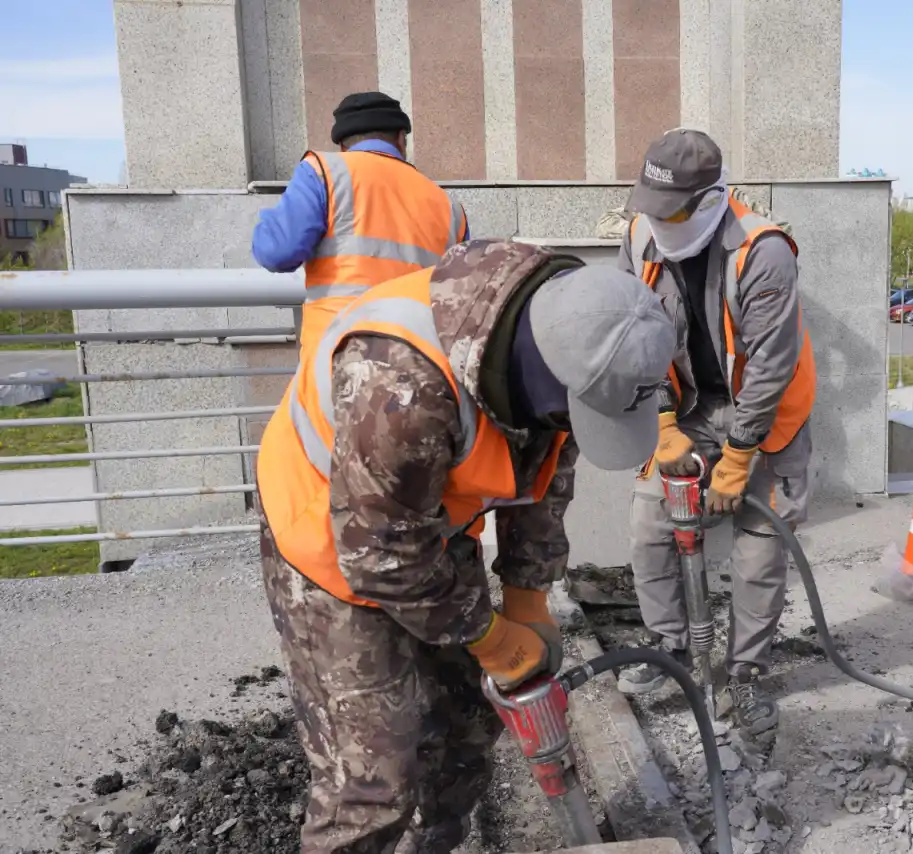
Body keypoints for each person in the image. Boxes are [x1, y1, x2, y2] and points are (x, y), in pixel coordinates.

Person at [255, 238, 677, 853]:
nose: (572, 428)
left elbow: (545, 472)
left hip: (425, 519)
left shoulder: (562, 337)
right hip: (329, 537)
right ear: (544, 377)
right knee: (372, 782)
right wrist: (491, 636)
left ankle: (438, 843)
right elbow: (380, 556)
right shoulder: (399, 386)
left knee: (467, 721)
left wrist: (527, 598)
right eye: (574, 414)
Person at [615, 128, 817, 737]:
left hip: (765, 413)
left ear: (707, 201)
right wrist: (662, 421)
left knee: (759, 545)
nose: (655, 221)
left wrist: (737, 457)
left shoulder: (763, 250)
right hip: (688, 407)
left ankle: (746, 671)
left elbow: (773, 366)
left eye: (668, 209)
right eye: (648, 206)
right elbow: (629, 332)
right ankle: (672, 647)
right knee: (651, 525)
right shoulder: (638, 236)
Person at [251, 91, 468, 351]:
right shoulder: (448, 206)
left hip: (336, 355)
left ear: (343, 145)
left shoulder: (323, 172)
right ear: (401, 139)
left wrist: (267, 221)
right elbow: (462, 300)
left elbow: (277, 253)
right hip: (420, 362)